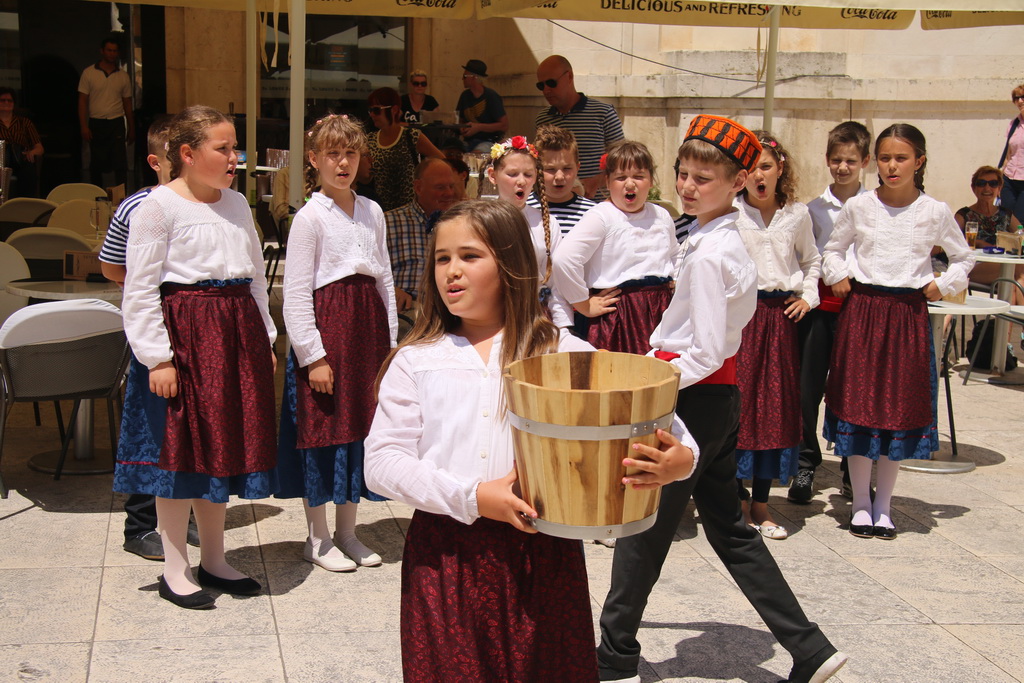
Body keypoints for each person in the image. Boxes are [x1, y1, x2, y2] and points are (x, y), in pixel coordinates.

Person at [364, 199, 698, 680]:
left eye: (470, 256)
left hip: (543, 556)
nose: (451, 272)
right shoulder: (416, 360)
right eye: (442, 258)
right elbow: (382, 461)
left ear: (511, 264)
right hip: (444, 559)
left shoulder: (559, 352)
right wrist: (474, 496)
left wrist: (679, 461)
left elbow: (661, 422)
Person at [597, 114, 848, 683]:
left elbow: (706, 351)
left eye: (703, 178)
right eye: (683, 174)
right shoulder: (712, 237)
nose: (687, 186)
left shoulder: (712, 252)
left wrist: (649, 381)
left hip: (693, 398)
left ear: (737, 182)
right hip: (712, 399)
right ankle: (811, 649)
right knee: (729, 530)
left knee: (644, 526)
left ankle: (613, 659)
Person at [114, 105, 278, 609]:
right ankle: (174, 567)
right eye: (223, 149)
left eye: (235, 149)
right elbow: (139, 289)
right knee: (180, 455)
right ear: (187, 154)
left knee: (220, 450)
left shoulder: (236, 204)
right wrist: (158, 358)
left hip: (234, 335)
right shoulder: (158, 207)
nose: (234, 158)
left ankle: (214, 557)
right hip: (185, 336)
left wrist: (266, 338)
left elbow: (253, 279)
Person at [822, 123, 974, 541]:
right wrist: (839, 274)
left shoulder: (935, 212)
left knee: (896, 409)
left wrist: (941, 284)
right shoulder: (859, 207)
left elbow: (963, 258)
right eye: (885, 158)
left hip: (907, 314)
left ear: (919, 162)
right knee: (858, 405)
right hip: (864, 312)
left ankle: (884, 506)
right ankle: (859, 505)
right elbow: (833, 250)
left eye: (901, 158)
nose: (892, 166)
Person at [276, 114, 395, 572]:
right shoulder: (310, 218)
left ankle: (349, 530)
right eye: (332, 154)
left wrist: (389, 347)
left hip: (366, 337)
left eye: (350, 153)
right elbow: (297, 292)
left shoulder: (372, 211)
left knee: (360, 430)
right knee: (323, 432)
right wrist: (313, 356)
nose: (342, 162)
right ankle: (318, 536)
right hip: (330, 334)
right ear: (314, 160)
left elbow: (383, 279)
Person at [99, 116, 201, 560]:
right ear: (157, 161)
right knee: (150, 426)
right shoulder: (138, 206)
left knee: (189, 426)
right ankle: (141, 524)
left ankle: (184, 518)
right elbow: (111, 265)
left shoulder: (206, 202)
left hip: (194, 333)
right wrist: (147, 295)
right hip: (155, 329)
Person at [732, 131, 821, 540]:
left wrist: (808, 296)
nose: (759, 176)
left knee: (773, 407)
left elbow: (812, 259)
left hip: (780, 320)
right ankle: (734, 499)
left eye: (766, 166)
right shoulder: (730, 213)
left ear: (780, 168)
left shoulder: (796, 215)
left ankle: (763, 504)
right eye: (751, 169)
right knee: (739, 405)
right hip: (742, 320)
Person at [792, 121, 872, 504]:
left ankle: (850, 469)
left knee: (852, 388)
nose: (843, 167)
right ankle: (806, 462)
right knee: (808, 389)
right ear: (827, 160)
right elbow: (808, 255)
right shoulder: (812, 209)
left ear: (864, 162)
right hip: (820, 306)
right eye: (837, 160)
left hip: (858, 306)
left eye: (851, 161)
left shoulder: (874, 206)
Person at [552, 139, 679, 354]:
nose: (630, 184)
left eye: (639, 176)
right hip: (619, 317)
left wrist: (676, 280)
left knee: (657, 380)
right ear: (608, 182)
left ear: (651, 181)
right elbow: (564, 259)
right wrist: (583, 304)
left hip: (660, 312)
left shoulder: (661, 215)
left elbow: (674, 254)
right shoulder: (602, 216)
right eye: (621, 178)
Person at [486, 135, 572, 327]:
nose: (521, 181)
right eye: (512, 174)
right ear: (493, 175)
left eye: (528, 174)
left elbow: (556, 282)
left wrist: (562, 327)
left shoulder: (546, 222)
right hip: (492, 317)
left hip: (536, 316)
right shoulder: (481, 221)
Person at [534, 55, 624, 198]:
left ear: (569, 77)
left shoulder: (603, 113)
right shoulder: (543, 119)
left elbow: (623, 160)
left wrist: (597, 181)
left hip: (597, 204)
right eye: (541, 85)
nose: (546, 90)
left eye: (551, 83)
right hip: (557, 205)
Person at [384, 157, 460, 312]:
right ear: (418, 188)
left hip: (451, 309)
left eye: (451, 186)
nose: (449, 193)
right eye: (440, 187)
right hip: (407, 310)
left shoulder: (460, 223)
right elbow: (370, 271)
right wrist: (392, 289)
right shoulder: (389, 222)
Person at [361, 88, 444, 212]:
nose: (372, 114)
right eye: (370, 110)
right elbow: (366, 178)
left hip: (411, 211)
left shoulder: (411, 136)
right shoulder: (370, 139)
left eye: (376, 110)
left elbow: (442, 160)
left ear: (394, 110)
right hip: (382, 211)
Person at [954, 166, 1024, 304]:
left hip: (1003, 268)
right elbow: (950, 241)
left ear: (999, 188)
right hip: (973, 265)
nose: (987, 188)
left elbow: (1021, 236)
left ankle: (1002, 325)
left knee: (1014, 284)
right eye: (981, 183)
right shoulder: (964, 214)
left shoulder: (1005, 215)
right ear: (974, 188)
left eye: (993, 184)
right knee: (1017, 272)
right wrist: (978, 243)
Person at [78, 36, 134, 188]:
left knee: (120, 163)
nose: (112, 54)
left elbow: (127, 103)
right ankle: (98, 196)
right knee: (96, 163)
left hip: (116, 121)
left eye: (115, 51)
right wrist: (84, 126)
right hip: (96, 121)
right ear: (102, 51)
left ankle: (121, 198)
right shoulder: (89, 73)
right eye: (109, 50)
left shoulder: (123, 76)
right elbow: (82, 101)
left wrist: (131, 127)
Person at [527, 124, 596, 234]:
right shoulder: (523, 208)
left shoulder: (593, 213)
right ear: (536, 170)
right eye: (550, 169)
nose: (559, 176)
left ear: (577, 168)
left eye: (567, 168)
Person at [455, 59, 508, 153]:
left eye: (465, 76)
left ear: (474, 77)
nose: (462, 79)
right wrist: (462, 128)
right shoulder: (465, 96)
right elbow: (459, 118)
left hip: (488, 141)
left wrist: (478, 127)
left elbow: (504, 125)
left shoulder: (491, 96)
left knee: (476, 155)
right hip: (468, 141)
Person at [0, 87, 44, 198]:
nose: (6, 103)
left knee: (28, 171)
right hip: (0, 159)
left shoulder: (24, 122)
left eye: (9, 100)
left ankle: (24, 203)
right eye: (3, 100)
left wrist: (32, 152)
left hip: (20, 159)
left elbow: (39, 148)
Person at [997, 83, 1024, 224]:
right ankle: (1006, 247)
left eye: (1023, 97)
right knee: (1005, 218)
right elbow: (1008, 153)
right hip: (1009, 178)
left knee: (1019, 220)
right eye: (1016, 98)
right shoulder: (1013, 124)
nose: (1020, 101)